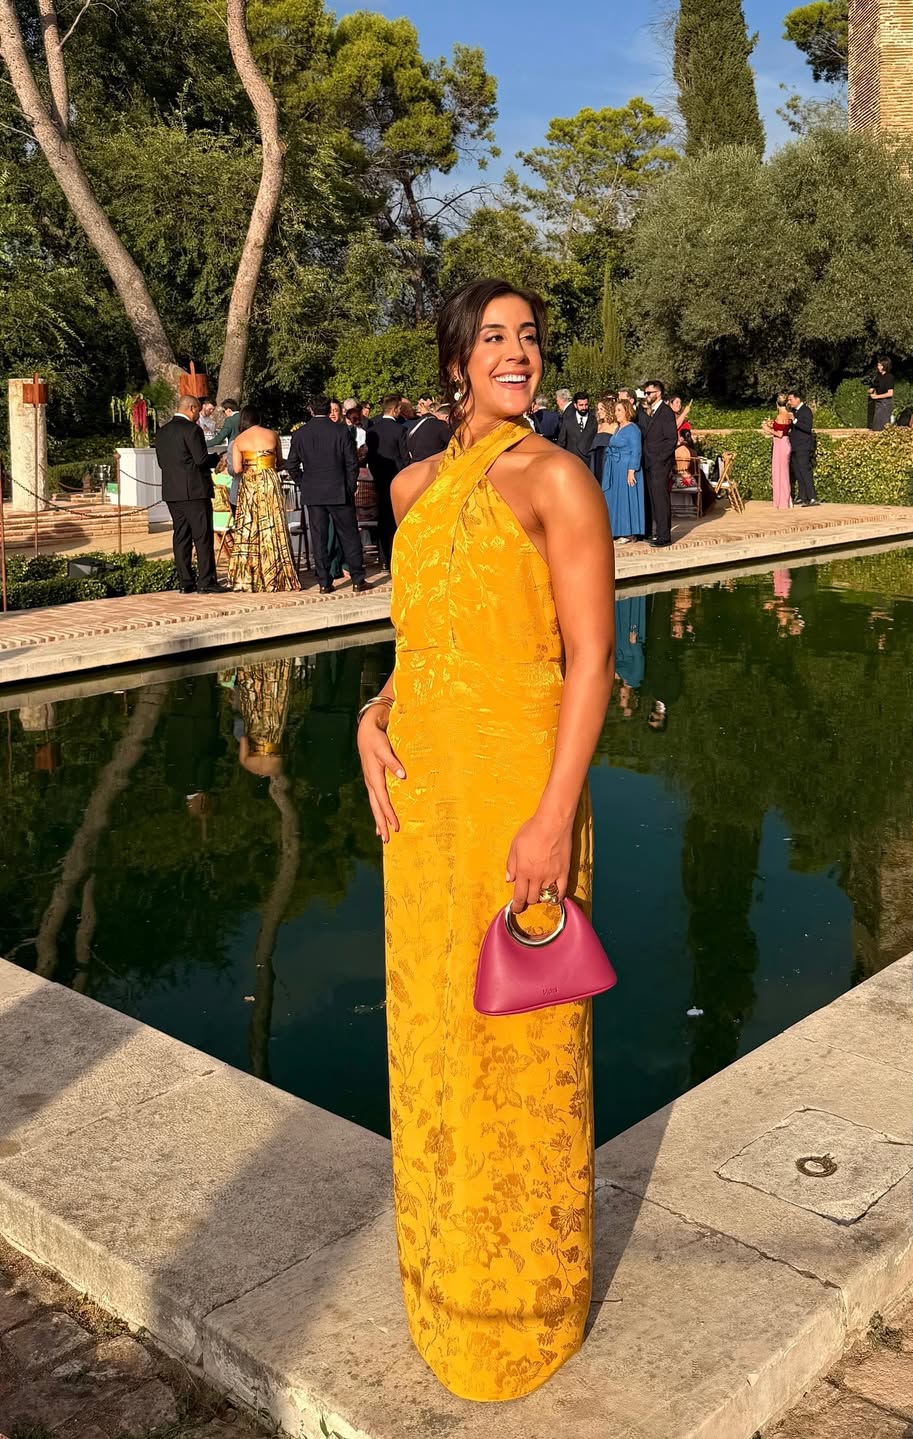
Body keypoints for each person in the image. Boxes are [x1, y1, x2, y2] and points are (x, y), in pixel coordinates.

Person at [356, 277, 614, 1402]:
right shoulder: (413, 485)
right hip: (424, 809)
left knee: (520, 1041)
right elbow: (419, 643)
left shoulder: (557, 478)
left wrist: (552, 817)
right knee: (433, 1038)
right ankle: (444, 1289)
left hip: (520, 797)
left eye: (531, 337)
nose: (518, 352)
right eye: (495, 336)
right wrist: (371, 714)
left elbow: (593, 660)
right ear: (457, 357)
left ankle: (526, 1308)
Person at [285, 395, 369, 593]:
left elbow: (292, 465)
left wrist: (304, 482)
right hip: (339, 489)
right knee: (349, 535)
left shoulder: (301, 434)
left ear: (310, 410)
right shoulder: (341, 431)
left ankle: (324, 582)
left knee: (319, 536)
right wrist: (350, 486)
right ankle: (357, 579)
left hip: (314, 492)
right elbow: (351, 462)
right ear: (329, 410)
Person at [227, 404, 300, 593]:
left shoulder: (238, 440)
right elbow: (279, 462)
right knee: (273, 525)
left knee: (249, 527)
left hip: (250, 484)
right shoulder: (272, 434)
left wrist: (251, 464)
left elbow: (236, 469)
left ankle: (250, 576)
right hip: (269, 482)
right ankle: (277, 574)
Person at [155, 394, 223, 593]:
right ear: (192, 408)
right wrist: (216, 458)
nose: (198, 415)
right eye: (198, 411)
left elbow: (162, 463)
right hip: (194, 491)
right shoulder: (192, 429)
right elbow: (201, 460)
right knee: (202, 536)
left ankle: (185, 582)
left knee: (181, 536)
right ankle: (206, 581)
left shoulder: (162, 432)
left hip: (172, 491)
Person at [365, 394, 410, 569]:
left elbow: (370, 457)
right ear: (395, 410)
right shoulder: (399, 430)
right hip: (397, 478)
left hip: (379, 478)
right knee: (398, 519)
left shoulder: (372, 431)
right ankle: (398, 556)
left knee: (383, 518)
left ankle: (384, 558)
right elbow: (404, 458)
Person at [639, 379, 677, 547]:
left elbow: (671, 439)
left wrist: (660, 459)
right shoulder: (652, 412)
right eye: (645, 393)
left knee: (661, 499)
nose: (646, 395)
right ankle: (658, 532)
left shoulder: (666, 412)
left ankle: (664, 536)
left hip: (660, 463)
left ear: (659, 393)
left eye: (649, 393)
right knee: (654, 499)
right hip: (649, 461)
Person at [604, 397, 644, 543]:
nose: (616, 413)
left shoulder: (633, 429)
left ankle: (628, 533)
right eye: (615, 410)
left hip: (627, 468)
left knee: (626, 499)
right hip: (615, 468)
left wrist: (632, 470)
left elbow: (636, 450)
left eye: (619, 410)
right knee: (616, 499)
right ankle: (617, 530)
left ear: (627, 411)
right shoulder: (617, 429)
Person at [787, 390, 819, 507]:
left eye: (791, 399)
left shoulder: (806, 411)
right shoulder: (794, 411)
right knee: (798, 472)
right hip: (795, 446)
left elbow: (807, 428)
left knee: (805, 471)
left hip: (803, 446)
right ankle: (802, 496)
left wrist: (795, 420)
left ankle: (812, 497)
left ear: (798, 399)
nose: (789, 402)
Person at [761, 395, 793, 509]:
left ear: (777, 404)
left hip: (780, 445)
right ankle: (786, 500)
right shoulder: (789, 415)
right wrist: (772, 424)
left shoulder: (780, 416)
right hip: (786, 443)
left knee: (779, 473)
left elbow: (779, 434)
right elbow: (784, 428)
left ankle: (782, 501)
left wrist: (767, 429)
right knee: (784, 473)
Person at [557, 391, 597, 462]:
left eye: (586, 405)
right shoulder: (568, 420)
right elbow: (561, 442)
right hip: (572, 461)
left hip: (589, 462)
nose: (584, 408)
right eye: (581, 405)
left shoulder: (594, 420)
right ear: (575, 405)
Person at [589, 395, 616, 483]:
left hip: (607, 459)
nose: (599, 411)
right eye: (598, 409)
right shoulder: (599, 425)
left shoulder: (615, 425)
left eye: (601, 409)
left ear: (608, 409)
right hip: (596, 458)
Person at [869, 358, 894, 430]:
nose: (879, 367)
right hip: (878, 403)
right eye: (878, 365)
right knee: (876, 427)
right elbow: (874, 388)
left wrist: (876, 396)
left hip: (885, 404)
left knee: (882, 428)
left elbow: (890, 393)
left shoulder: (889, 377)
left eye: (881, 365)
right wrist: (871, 391)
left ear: (886, 366)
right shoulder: (878, 377)